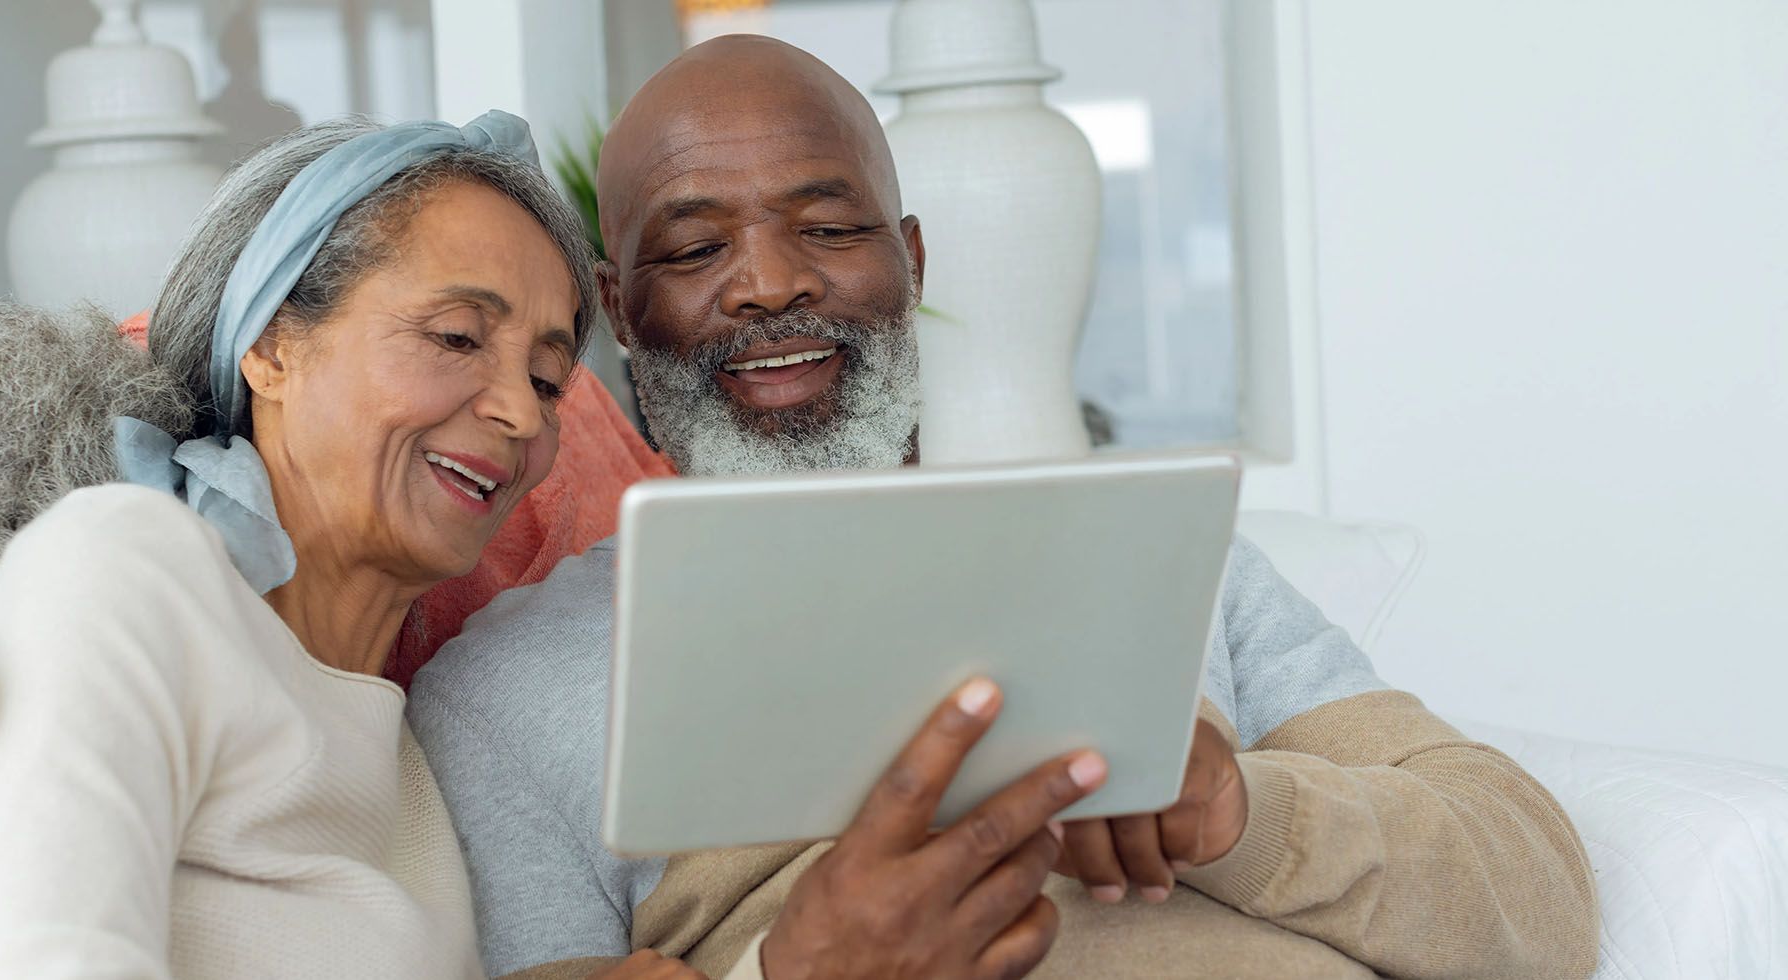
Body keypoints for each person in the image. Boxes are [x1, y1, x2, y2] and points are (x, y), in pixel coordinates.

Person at [408, 37, 1602, 980]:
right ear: (620, 309)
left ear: (913, 266)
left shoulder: (1168, 554)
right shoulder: (504, 690)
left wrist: (1242, 809)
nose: (771, 282)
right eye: (694, 247)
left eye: (828, 228)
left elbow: (1541, 904)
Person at [0, 112, 684, 979]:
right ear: (270, 344)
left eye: (546, 379)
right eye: (455, 337)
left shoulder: (413, 760)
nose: (522, 414)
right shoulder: (124, 570)